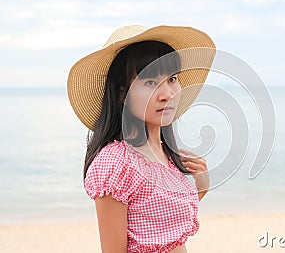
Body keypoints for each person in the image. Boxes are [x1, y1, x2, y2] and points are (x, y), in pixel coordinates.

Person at [67, 25, 216, 253]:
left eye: (172, 79)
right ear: (122, 93)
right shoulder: (117, 164)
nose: (167, 94)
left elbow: (164, 230)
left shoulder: (166, 153)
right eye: (150, 82)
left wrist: (200, 189)